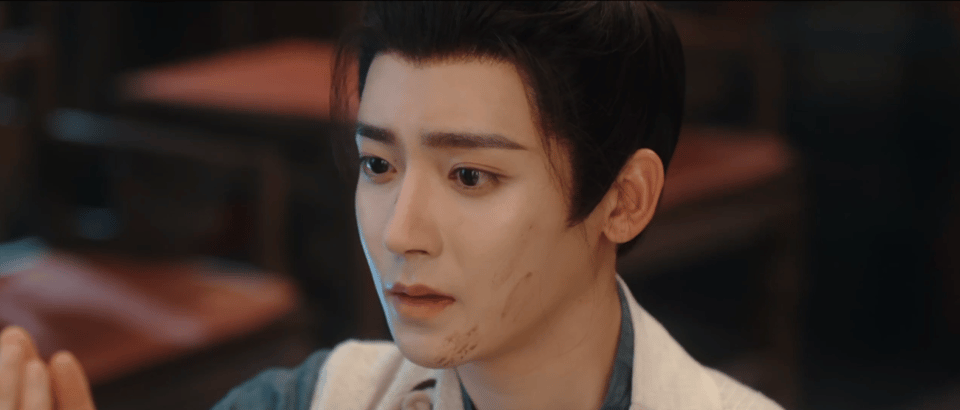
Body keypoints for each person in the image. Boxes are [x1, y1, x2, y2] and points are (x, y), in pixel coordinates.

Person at [0, 2, 784, 409]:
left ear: (624, 201)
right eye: (378, 165)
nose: (401, 232)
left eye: (469, 176)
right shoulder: (317, 400)